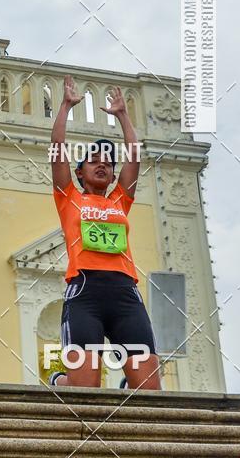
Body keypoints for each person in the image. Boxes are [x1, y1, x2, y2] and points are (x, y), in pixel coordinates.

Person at [48, 75, 160, 390]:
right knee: (87, 392)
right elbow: (57, 150)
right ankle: (62, 381)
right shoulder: (68, 197)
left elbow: (135, 155)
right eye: (93, 161)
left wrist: (123, 115)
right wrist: (66, 107)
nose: (103, 165)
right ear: (79, 172)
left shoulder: (119, 200)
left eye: (108, 163)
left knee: (150, 391)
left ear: (112, 175)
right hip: (85, 293)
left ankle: (127, 388)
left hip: (125, 294)